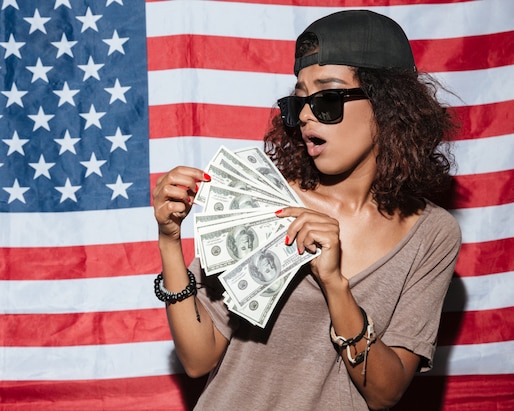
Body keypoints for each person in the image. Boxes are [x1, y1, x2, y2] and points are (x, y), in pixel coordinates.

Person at [152, 9, 461, 410]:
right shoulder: (265, 202)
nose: (307, 115)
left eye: (328, 98)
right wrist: (168, 240)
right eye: (298, 103)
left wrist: (335, 284)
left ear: (388, 106)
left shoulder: (432, 234)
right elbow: (199, 358)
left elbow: (385, 392)